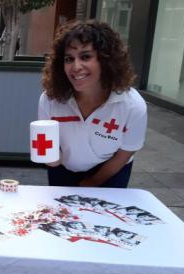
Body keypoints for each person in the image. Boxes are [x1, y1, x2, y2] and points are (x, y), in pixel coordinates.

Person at [38, 20, 147, 188]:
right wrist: (51, 159)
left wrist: (93, 182)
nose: (76, 66)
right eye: (69, 59)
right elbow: (49, 149)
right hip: (64, 169)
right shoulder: (50, 99)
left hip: (111, 170)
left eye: (86, 57)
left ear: (106, 60)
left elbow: (126, 152)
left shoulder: (132, 105)